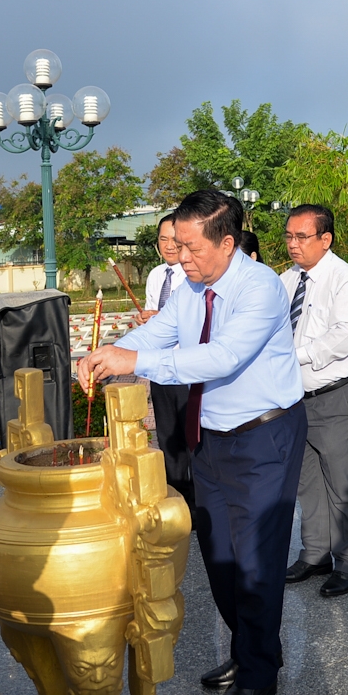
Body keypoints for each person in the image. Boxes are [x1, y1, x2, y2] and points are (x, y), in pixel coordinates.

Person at [77, 190, 304, 695]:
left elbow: (220, 357)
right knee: (220, 560)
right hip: (211, 440)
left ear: (228, 243)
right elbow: (161, 332)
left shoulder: (259, 287)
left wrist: (134, 364)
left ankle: (257, 676)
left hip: (264, 438)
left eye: (192, 247)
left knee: (256, 566)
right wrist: (110, 352)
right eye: (177, 245)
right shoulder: (192, 286)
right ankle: (254, 646)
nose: (182, 257)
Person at [279, 204, 348, 597]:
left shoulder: (344, 279)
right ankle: (315, 554)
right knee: (307, 480)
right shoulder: (285, 280)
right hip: (293, 396)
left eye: (302, 237)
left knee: (342, 481)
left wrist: (293, 356)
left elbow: (345, 335)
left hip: (334, 395)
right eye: (289, 236)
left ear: (325, 239)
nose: (293, 244)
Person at [138, 213, 194, 508]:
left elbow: (194, 322)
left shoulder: (194, 275)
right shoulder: (156, 275)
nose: (169, 245)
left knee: (192, 437)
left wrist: (162, 320)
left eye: (175, 238)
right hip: (160, 368)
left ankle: (197, 503)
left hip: (186, 367)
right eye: (163, 239)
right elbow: (154, 320)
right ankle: (176, 498)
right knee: (167, 435)